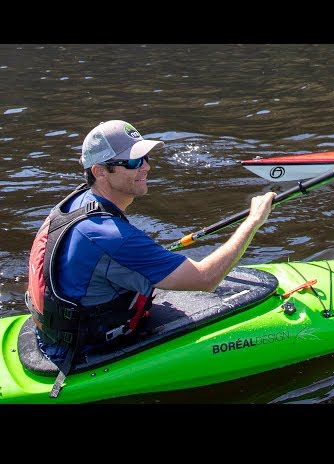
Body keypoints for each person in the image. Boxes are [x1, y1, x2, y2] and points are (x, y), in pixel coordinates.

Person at [24, 120, 276, 373]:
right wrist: (254, 221)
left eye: (145, 157)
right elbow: (206, 279)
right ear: (100, 171)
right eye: (133, 162)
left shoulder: (77, 201)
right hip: (87, 349)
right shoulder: (112, 236)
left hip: (54, 334)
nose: (146, 166)